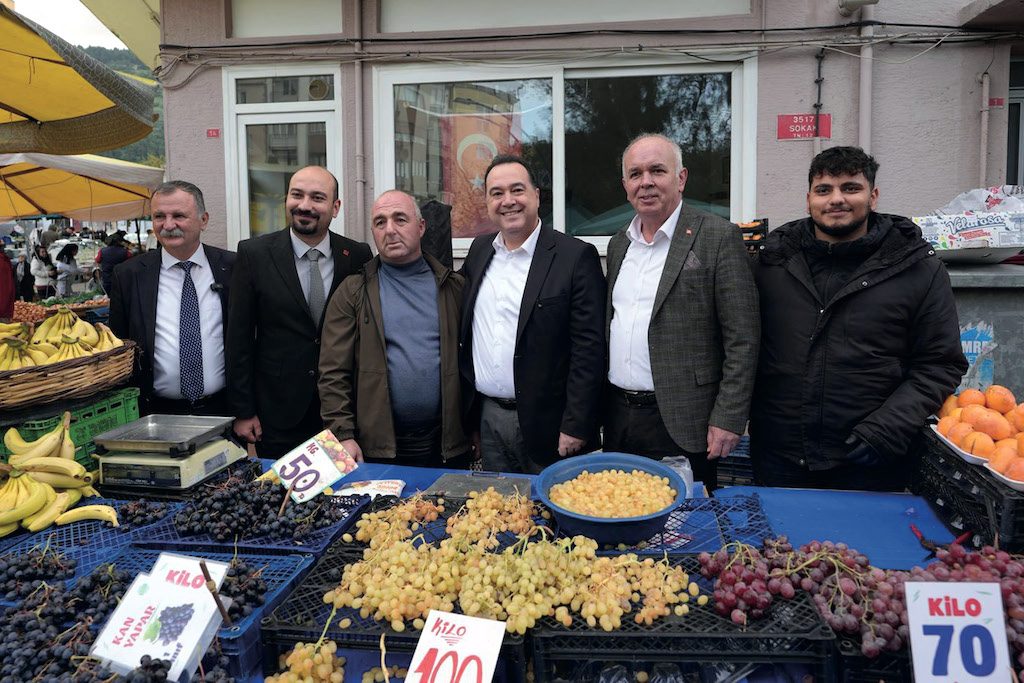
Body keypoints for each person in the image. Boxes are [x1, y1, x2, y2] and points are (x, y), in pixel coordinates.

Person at [750, 146, 967, 491]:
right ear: (808, 200)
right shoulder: (771, 264)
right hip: (780, 458)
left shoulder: (917, 269)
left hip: (871, 460)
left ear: (873, 196)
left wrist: (887, 428)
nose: (836, 199)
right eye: (824, 190)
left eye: (850, 188)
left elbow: (940, 363)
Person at [605, 134, 759, 492]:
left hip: (686, 420)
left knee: (685, 522)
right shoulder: (619, 244)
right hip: (619, 416)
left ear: (681, 178)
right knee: (620, 511)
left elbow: (743, 338)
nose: (646, 182)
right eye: (635, 174)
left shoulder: (717, 237)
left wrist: (729, 417)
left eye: (657, 170)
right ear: (625, 185)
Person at [459, 154, 606, 474]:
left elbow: (589, 349)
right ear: (487, 202)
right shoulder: (479, 251)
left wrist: (577, 423)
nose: (508, 201)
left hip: (552, 426)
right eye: (497, 193)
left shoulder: (575, 256)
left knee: (552, 505)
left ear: (536, 196)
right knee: (499, 503)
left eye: (517, 190)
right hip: (489, 418)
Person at [227, 166, 372, 457]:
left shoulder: (357, 255)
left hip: (344, 412)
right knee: (280, 487)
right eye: (297, 195)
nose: (304, 205)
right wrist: (244, 411)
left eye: (317, 197)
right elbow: (238, 338)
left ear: (335, 207)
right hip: (278, 413)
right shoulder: (254, 254)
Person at [319, 190, 471, 467]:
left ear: (421, 227)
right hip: (376, 448)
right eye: (380, 222)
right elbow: (333, 373)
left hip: (446, 445)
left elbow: (473, 363)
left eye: (400, 219)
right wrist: (342, 434)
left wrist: (475, 428)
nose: (389, 230)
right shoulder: (352, 292)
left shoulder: (453, 288)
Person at [108, 181, 235, 416]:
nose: (168, 225)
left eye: (178, 216)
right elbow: (118, 346)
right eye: (159, 216)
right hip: (155, 413)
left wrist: (246, 410)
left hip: (223, 409)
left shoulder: (232, 267)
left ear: (203, 220)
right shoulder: (128, 275)